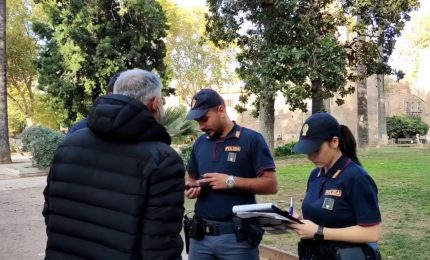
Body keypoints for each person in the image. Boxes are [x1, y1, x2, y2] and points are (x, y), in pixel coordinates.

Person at [42, 69, 185, 260]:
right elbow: (160, 246)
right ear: (154, 103)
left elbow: (50, 213)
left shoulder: (69, 143)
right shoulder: (163, 159)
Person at [184, 88, 278, 260]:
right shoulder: (200, 144)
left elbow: (271, 185)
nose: (201, 126)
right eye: (198, 121)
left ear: (221, 110)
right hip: (200, 238)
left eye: (204, 119)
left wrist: (231, 181)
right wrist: (192, 187)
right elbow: (191, 176)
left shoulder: (251, 140)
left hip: (237, 239)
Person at [288, 112, 382, 260]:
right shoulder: (315, 176)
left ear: (334, 142)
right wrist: (297, 221)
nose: (310, 157)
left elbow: (372, 233)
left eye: (316, 150)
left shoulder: (356, 177)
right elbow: (321, 218)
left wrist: (319, 232)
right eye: (307, 151)